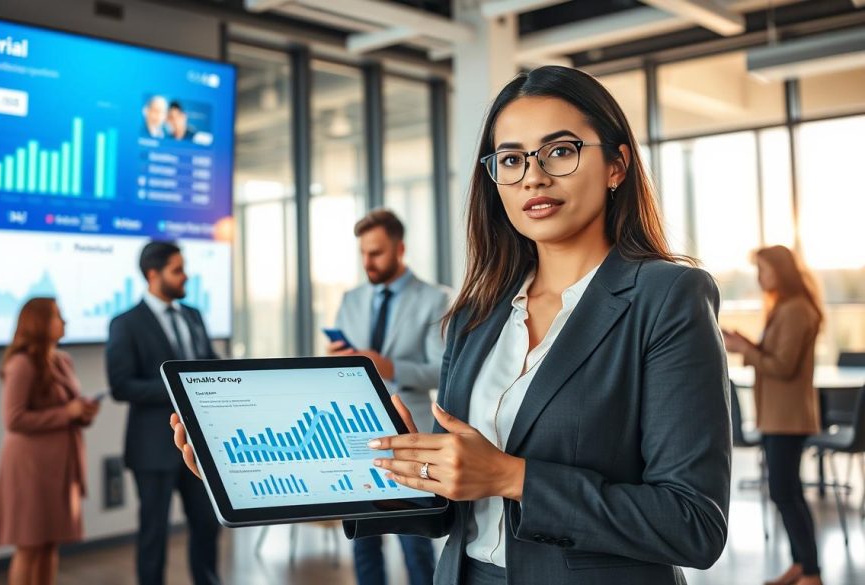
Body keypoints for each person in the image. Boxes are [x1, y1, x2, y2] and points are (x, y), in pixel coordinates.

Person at [173, 65, 733, 584]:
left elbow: (693, 524)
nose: (533, 177)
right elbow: (449, 506)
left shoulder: (667, 297)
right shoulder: (477, 313)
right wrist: (255, 473)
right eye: (511, 160)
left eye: (560, 151)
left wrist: (512, 477)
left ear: (617, 165)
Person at [326, 208, 449, 585]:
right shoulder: (351, 299)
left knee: (415, 542)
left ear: (400, 249)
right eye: (363, 253)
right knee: (363, 540)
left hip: (408, 434)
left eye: (376, 253)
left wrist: (388, 367)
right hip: (355, 433)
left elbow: (441, 370)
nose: (368, 262)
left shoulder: (435, 299)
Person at [106, 241, 222, 585]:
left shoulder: (193, 315)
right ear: (153, 274)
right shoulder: (125, 323)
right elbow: (121, 386)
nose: (186, 276)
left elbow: (210, 363)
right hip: (152, 448)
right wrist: (179, 387)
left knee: (208, 525)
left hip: (199, 444)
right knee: (154, 534)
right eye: (177, 270)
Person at [722, 245, 824, 585]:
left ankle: (811, 571)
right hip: (777, 417)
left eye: (763, 270)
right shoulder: (784, 307)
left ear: (781, 271)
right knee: (787, 492)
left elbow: (783, 366)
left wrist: (744, 350)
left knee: (785, 493)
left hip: (787, 419)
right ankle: (802, 566)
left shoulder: (796, 310)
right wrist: (749, 345)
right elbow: (774, 355)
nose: (760, 277)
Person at [0, 298, 100, 585]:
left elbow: (67, 408)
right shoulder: (22, 363)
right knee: (29, 546)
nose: (64, 321)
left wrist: (83, 413)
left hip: (59, 467)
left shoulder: (62, 360)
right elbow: (14, 419)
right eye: (57, 316)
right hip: (30, 469)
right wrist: (68, 413)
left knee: (50, 543)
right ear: (39, 323)